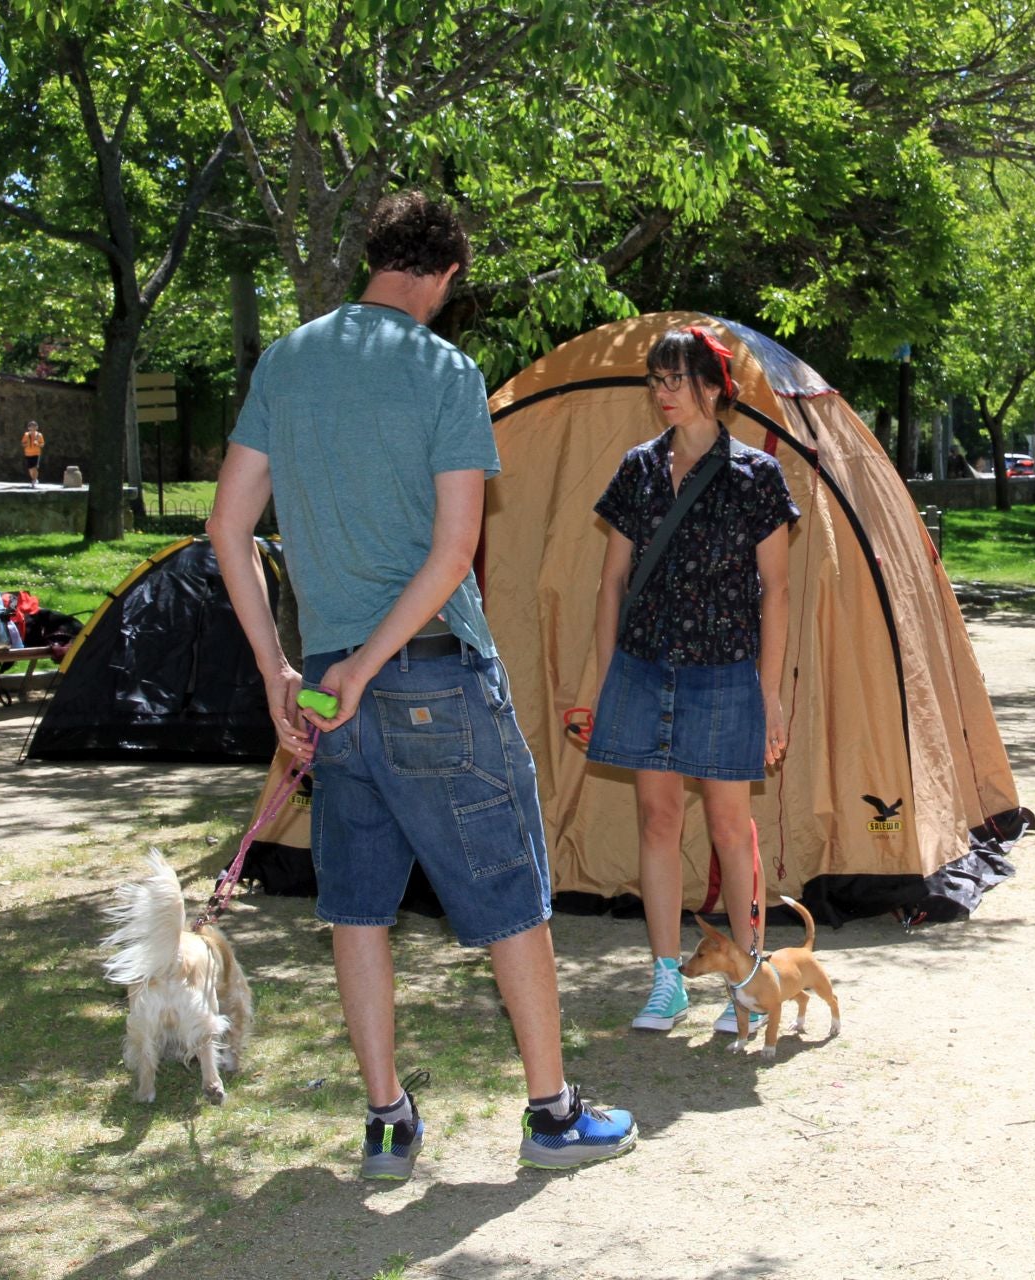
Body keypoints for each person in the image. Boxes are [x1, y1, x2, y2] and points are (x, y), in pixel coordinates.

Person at [208, 190, 633, 1181]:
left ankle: (388, 1119)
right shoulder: (445, 370)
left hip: (324, 691)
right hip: (431, 674)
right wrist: (369, 662)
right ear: (443, 275)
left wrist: (287, 666)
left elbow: (228, 527)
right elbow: (453, 553)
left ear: (375, 257)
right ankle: (552, 1113)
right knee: (512, 896)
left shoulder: (288, 358)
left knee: (356, 905)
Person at [587, 326, 797, 1039]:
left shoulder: (757, 478)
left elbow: (776, 593)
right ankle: (666, 979)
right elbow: (612, 581)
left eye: (676, 379)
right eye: (656, 380)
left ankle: (747, 980)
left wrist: (769, 696)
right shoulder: (637, 470)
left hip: (726, 674)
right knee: (658, 820)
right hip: (645, 669)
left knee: (732, 830)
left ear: (714, 386)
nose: (663, 393)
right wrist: (607, 676)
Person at [21, 421, 44, 487]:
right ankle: (34, 479)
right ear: (29, 427)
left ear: (37, 427)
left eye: (34, 426)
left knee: (35, 467)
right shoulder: (26, 435)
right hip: (28, 454)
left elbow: (42, 444)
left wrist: (38, 444)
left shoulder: (39, 435)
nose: (33, 427)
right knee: (30, 469)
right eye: (31, 426)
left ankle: (34, 481)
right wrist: (26, 444)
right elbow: (22, 443)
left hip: (36, 453)